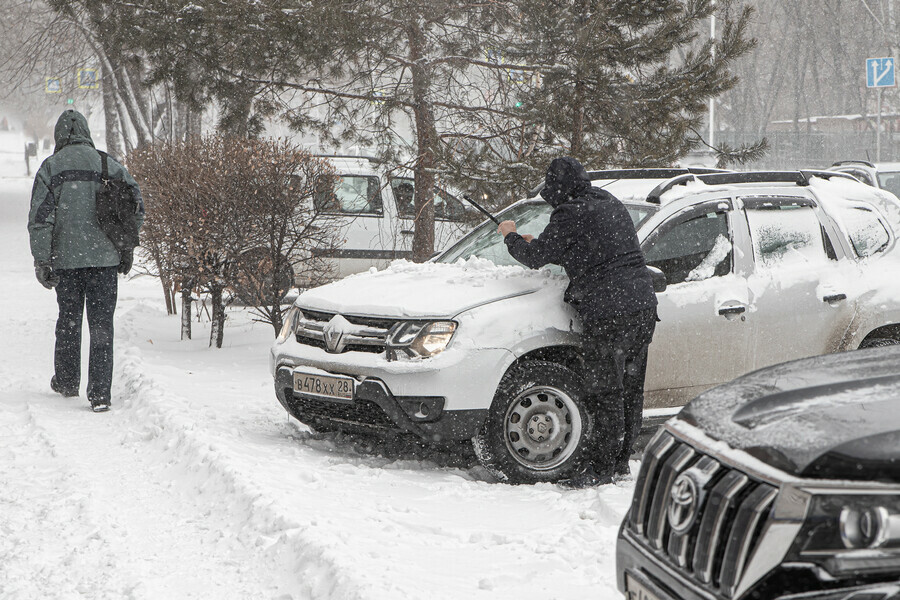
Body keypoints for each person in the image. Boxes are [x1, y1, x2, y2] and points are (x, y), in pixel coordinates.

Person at [498, 157, 657, 486]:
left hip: (609, 311)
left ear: (557, 188)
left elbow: (536, 257)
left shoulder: (570, 212)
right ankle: (621, 461)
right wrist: (540, 243)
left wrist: (511, 236)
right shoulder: (605, 202)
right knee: (629, 389)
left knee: (605, 391)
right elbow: (584, 246)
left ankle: (599, 470)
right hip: (641, 306)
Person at [27, 109, 144, 413]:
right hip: (104, 261)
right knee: (102, 325)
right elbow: (135, 206)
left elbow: (40, 220)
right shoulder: (109, 165)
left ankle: (67, 381)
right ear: (87, 133)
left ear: (59, 136)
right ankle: (100, 394)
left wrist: (42, 260)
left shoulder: (51, 169)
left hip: (66, 261)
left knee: (69, 321)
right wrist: (123, 246)